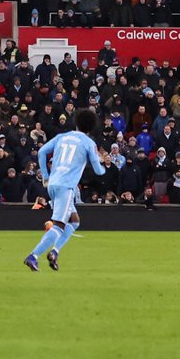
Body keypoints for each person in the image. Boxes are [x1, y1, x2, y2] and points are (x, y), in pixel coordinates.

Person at [23, 107, 109, 273]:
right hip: (66, 187)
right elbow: (99, 171)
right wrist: (102, 162)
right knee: (59, 225)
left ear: (76, 123)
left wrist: (46, 176)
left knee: (75, 220)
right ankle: (33, 256)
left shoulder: (62, 137)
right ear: (91, 127)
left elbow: (41, 152)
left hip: (53, 184)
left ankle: (54, 252)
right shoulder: (89, 143)